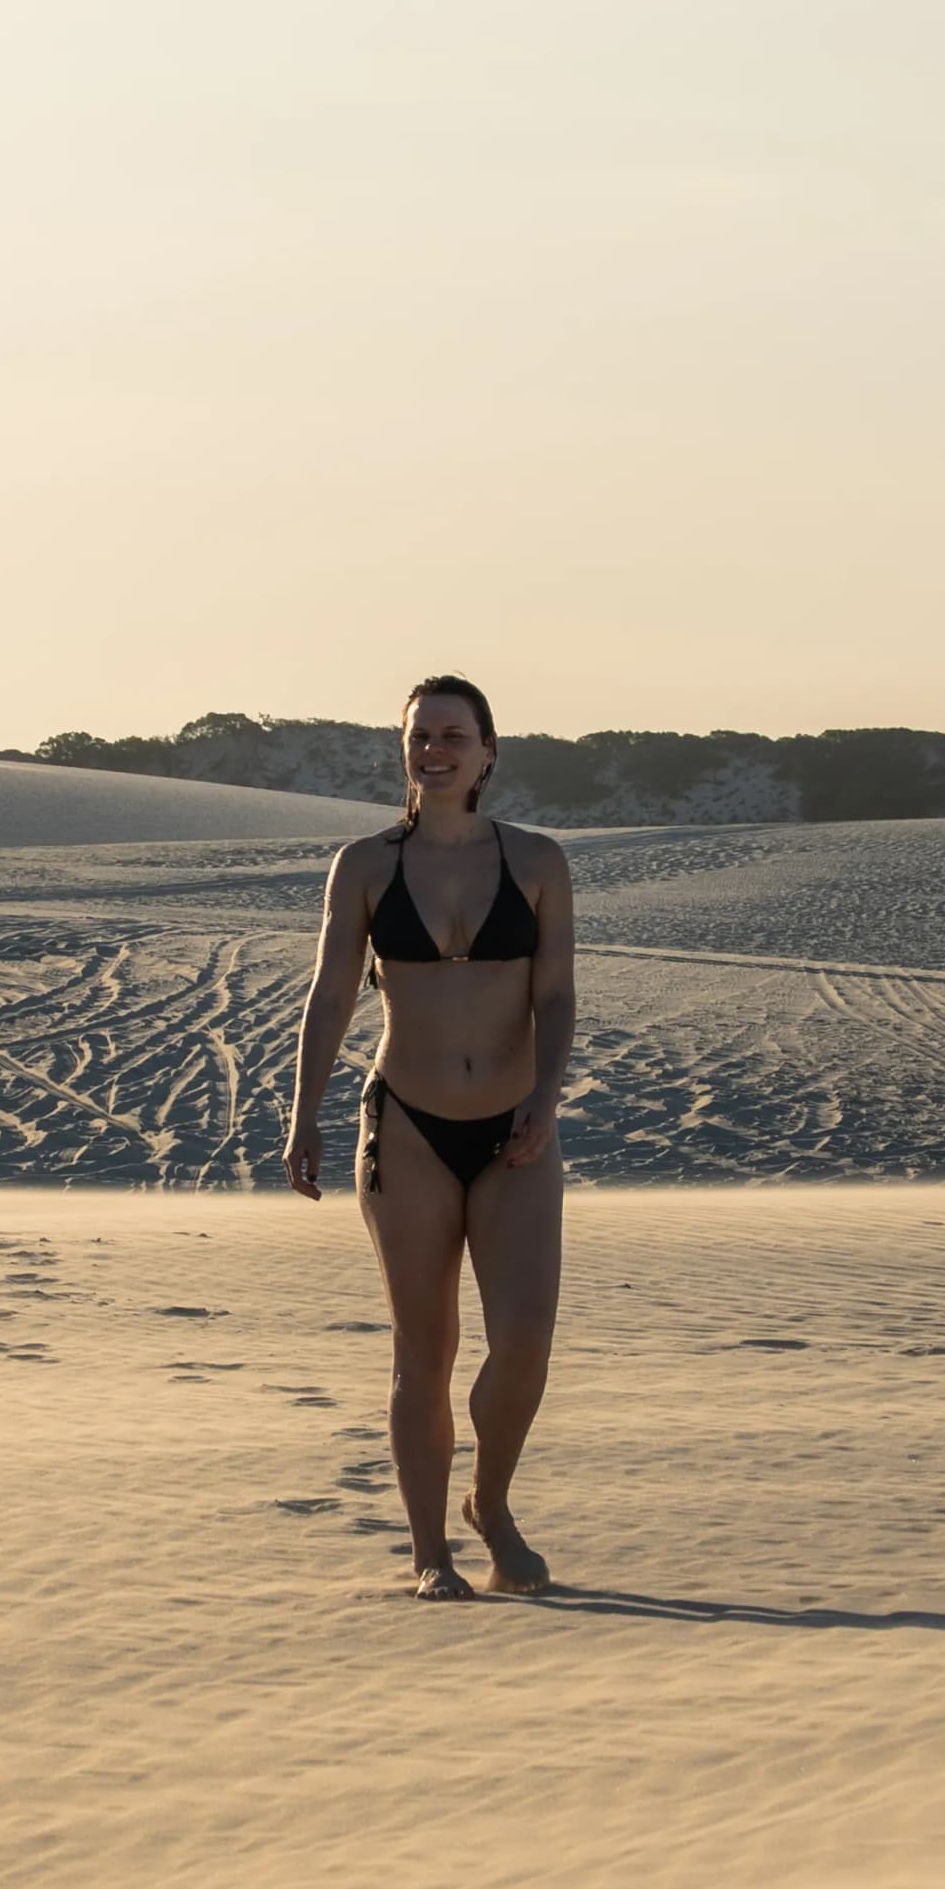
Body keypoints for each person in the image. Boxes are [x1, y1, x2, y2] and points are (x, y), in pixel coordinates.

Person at [283, 671, 576, 1598]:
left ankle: (489, 1502)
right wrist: (303, 1111)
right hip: (403, 1124)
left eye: (454, 735)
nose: (435, 750)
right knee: (425, 1348)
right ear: (404, 751)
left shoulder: (536, 861)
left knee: (524, 1340)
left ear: (488, 752)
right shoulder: (366, 865)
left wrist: (550, 1094)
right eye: (420, 737)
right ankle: (430, 1554)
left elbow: (558, 993)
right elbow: (331, 994)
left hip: (516, 1126)